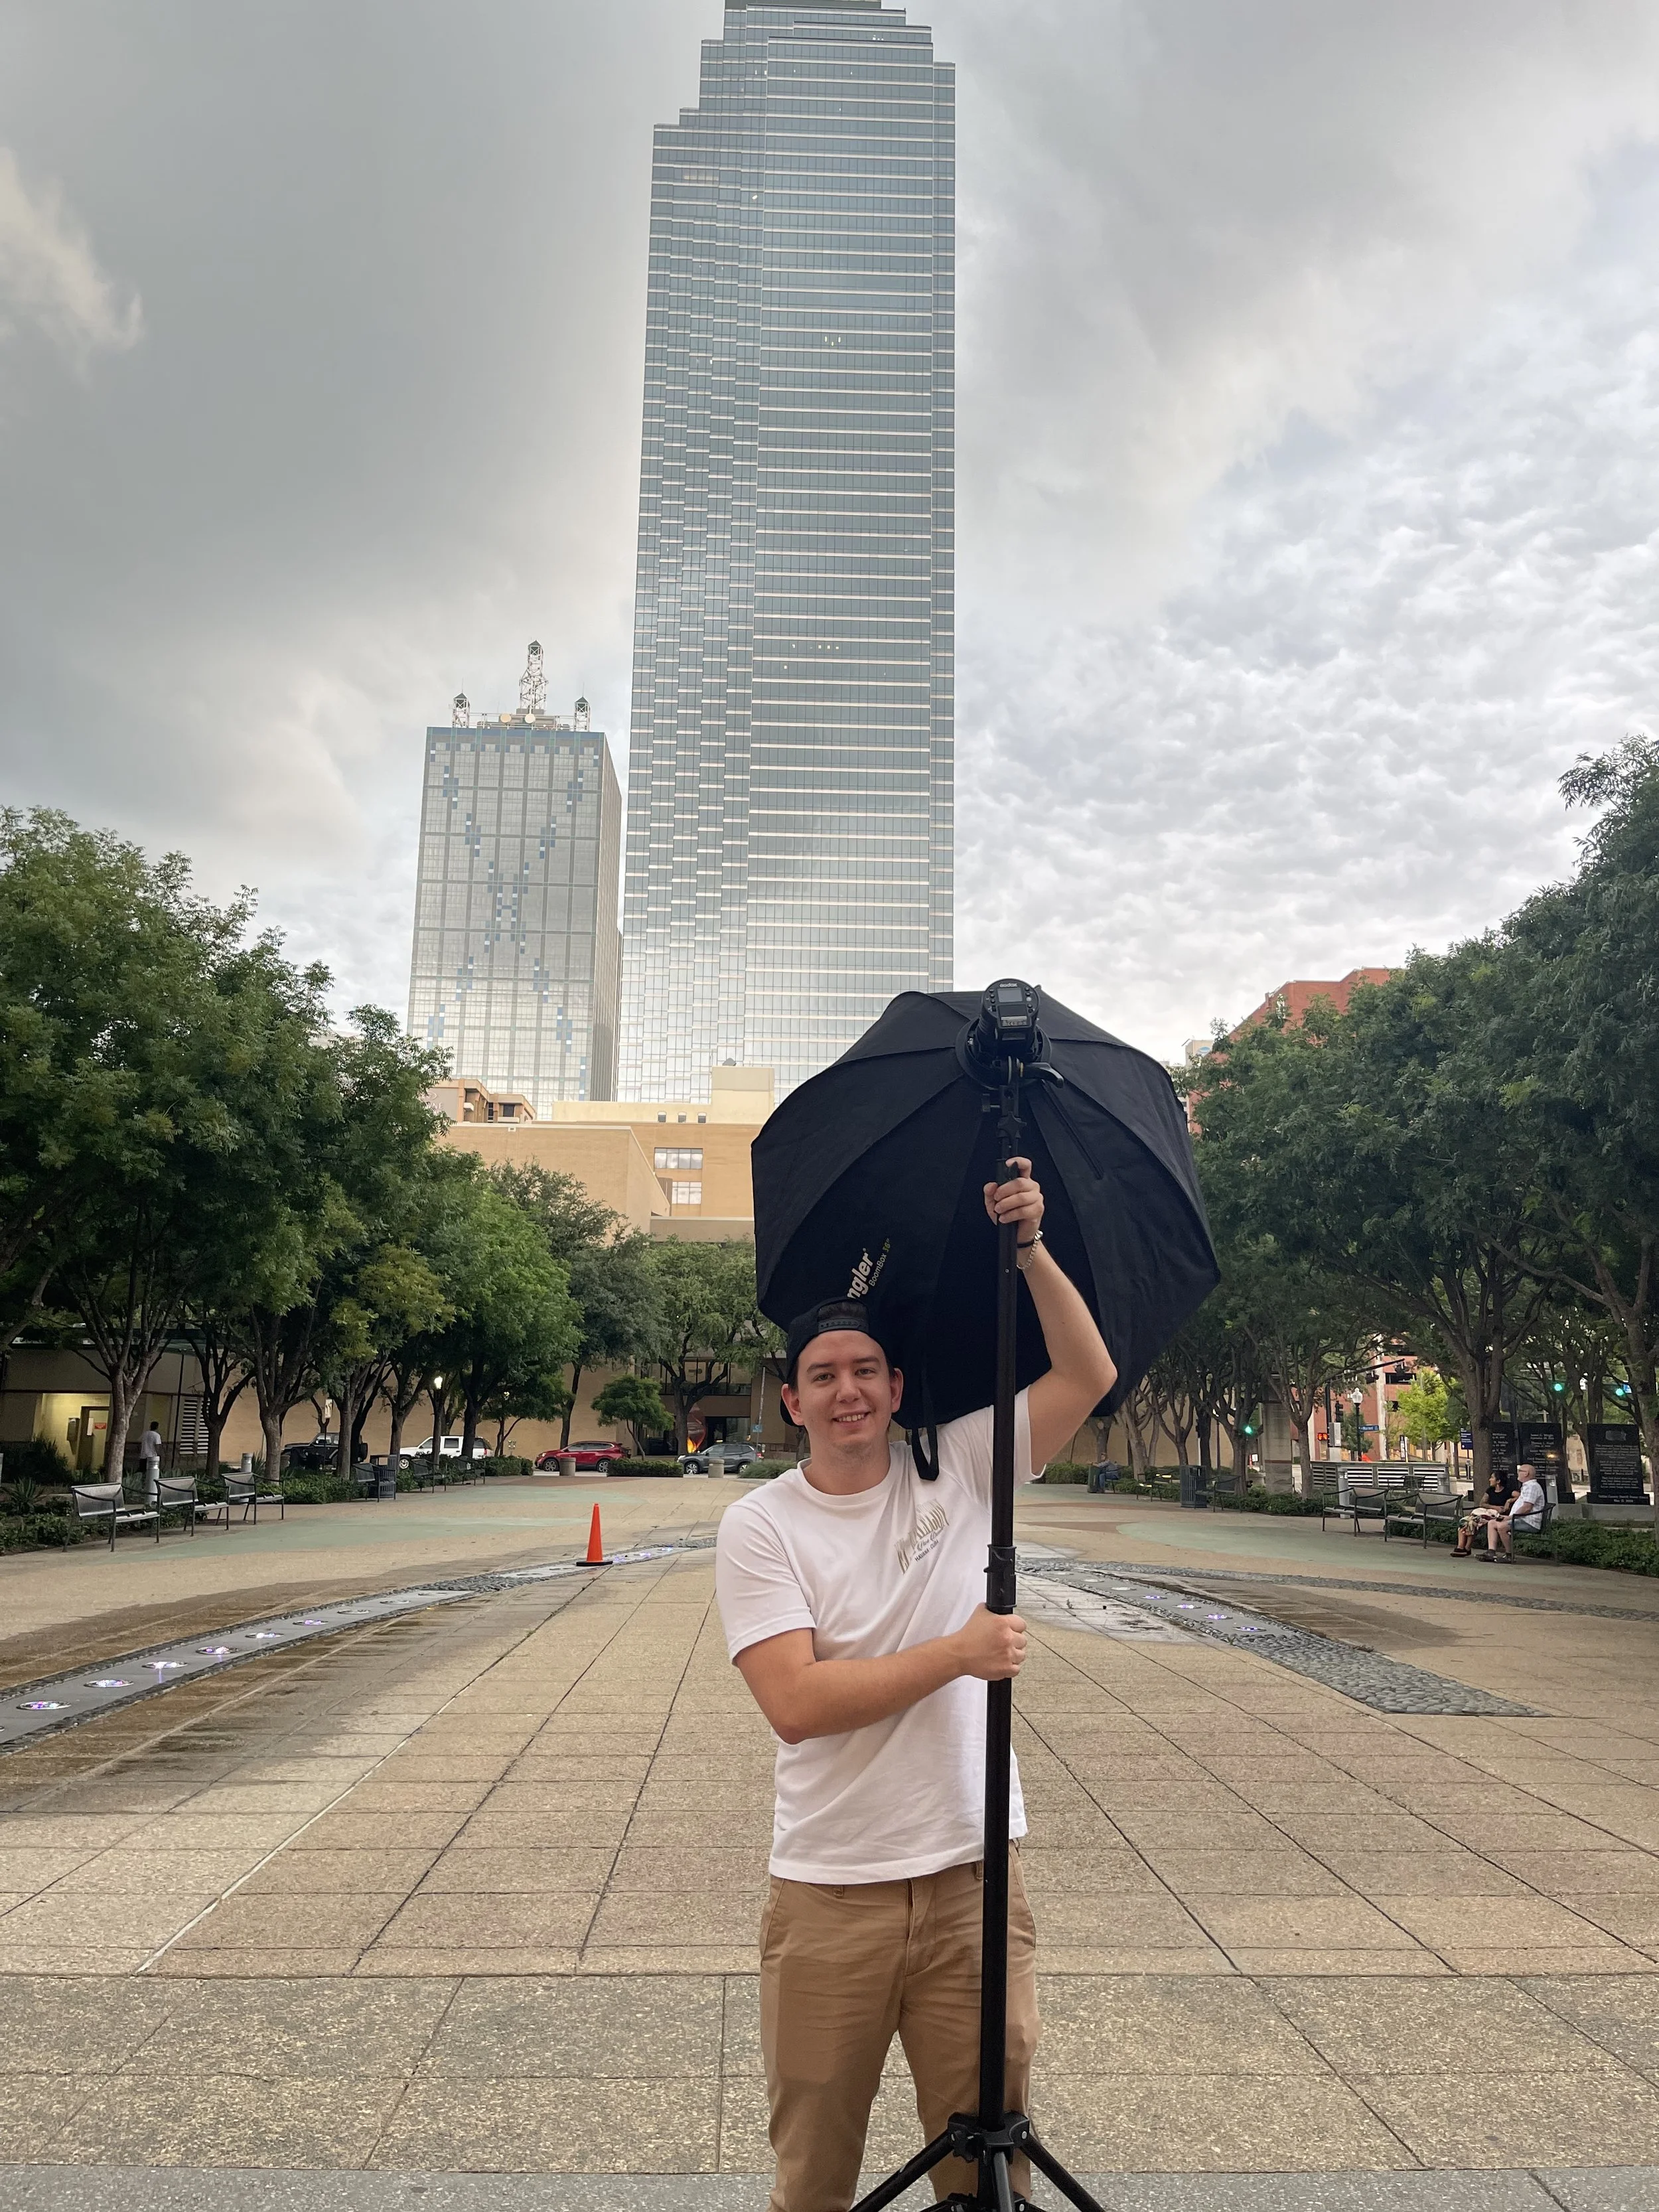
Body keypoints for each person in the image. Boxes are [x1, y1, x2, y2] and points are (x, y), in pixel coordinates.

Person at [715, 1158, 1118, 2212]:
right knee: (814, 2176)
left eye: (866, 1369)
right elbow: (795, 1704)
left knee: (985, 2169)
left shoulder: (963, 1461)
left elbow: (1085, 1375)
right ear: (794, 1398)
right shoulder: (762, 1526)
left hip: (973, 1880)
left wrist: (1029, 1249)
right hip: (830, 1891)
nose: (847, 1389)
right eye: (823, 1374)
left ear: (897, 1387)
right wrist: (957, 1653)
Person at [1452, 1461, 1520, 1556]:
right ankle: (1461, 1547)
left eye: (1492, 1478)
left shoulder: (1508, 1491)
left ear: (1498, 1481)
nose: (1490, 1479)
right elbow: (1482, 1503)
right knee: (1465, 1521)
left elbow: (1520, 1496)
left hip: (1497, 1516)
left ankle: (1466, 1548)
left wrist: (1509, 1501)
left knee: (1472, 1522)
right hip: (1487, 1513)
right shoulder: (1490, 1491)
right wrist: (1494, 1507)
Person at [1485, 1461, 1547, 1561]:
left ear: (1526, 1473)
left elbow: (1527, 1508)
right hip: (1520, 1519)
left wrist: (1510, 1518)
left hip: (1529, 1522)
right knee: (1492, 1523)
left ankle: (1509, 1556)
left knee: (1502, 1526)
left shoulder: (1532, 1487)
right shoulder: (1527, 1486)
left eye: (1520, 1471)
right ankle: (1491, 1552)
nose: (1518, 1473)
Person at [137, 1421, 165, 1503]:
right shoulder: (156, 1436)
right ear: (157, 1427)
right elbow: (158, 1447)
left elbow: (139, 1443)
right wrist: (160, 1456)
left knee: (143, 1473)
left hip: (143, 1456)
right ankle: (150, 1488)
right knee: (151, 1474)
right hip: (152, 1458)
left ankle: (143, 1486)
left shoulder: (145, 1434)